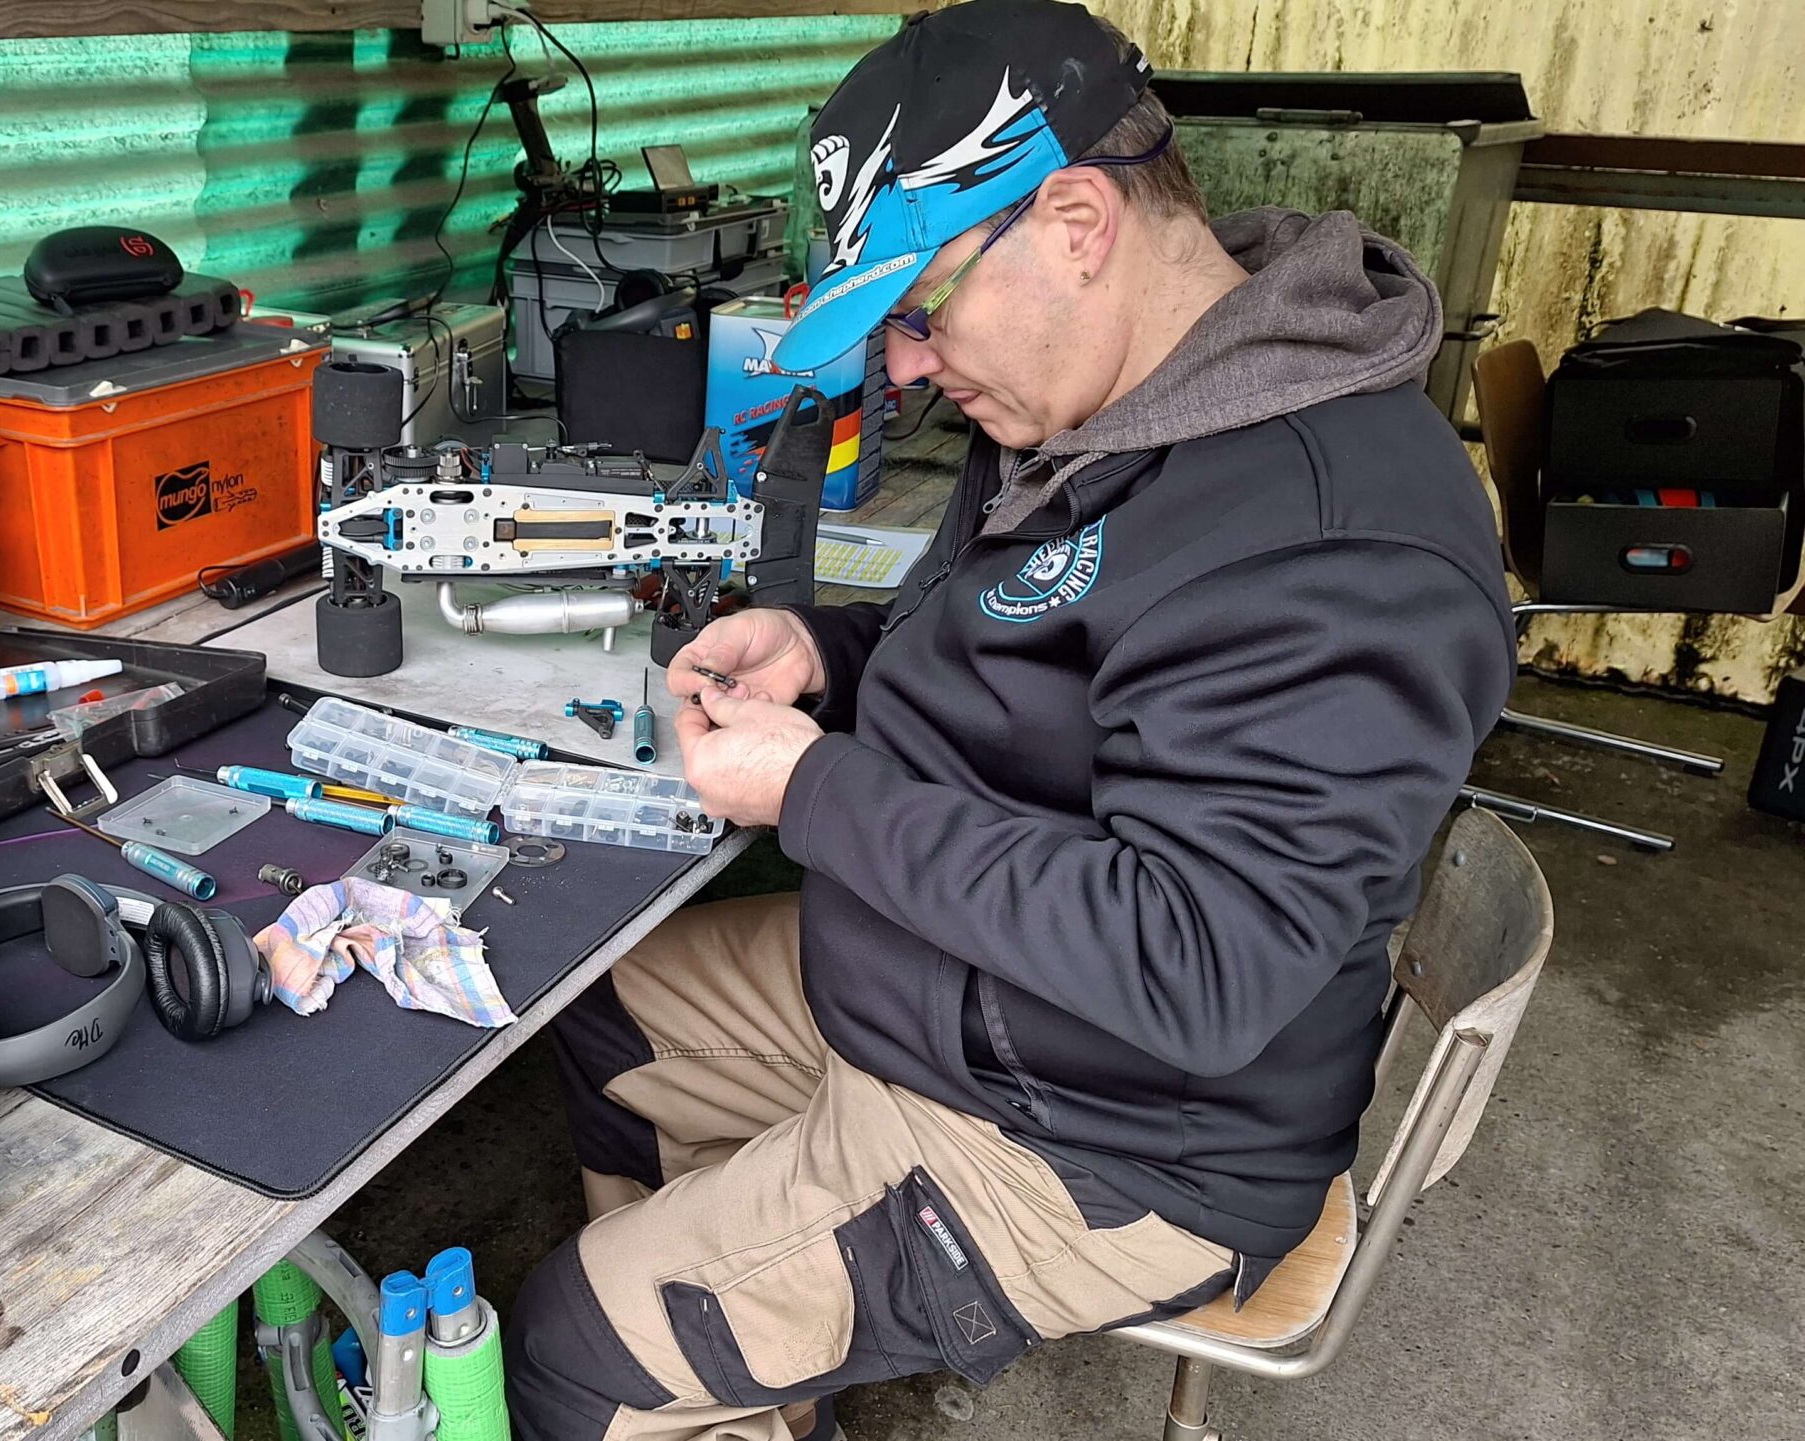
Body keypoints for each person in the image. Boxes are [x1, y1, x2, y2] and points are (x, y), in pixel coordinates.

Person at [503, 3, 1517, 1437]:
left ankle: (659, 1364)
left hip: (1103, 1137)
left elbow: (1198, 964)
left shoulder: (1332, 546)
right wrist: (823, 656)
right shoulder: (1117, 397)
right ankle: (741, 1377)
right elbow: (1014, 665)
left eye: (919, 313)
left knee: (567, 1352)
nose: (907, 367)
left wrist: (814, 791)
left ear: (1077, 223)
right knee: (606, 1010)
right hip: (954, 994)